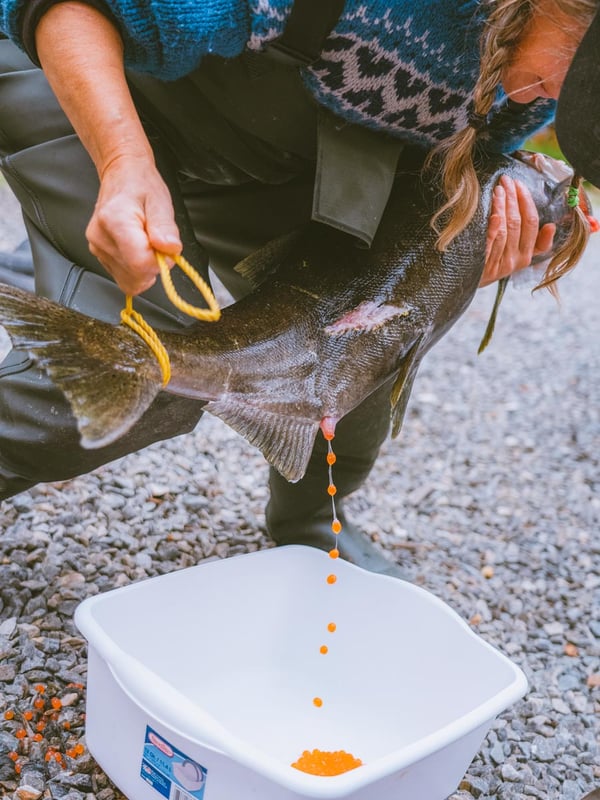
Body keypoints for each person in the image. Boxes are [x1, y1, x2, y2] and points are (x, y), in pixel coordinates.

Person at [0, 0, 596, 577]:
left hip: (267, 155)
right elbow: (66, 7)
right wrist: (123, 163)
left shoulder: (534, 79)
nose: (555, 106)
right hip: (87, 74)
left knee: (353, 354)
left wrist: (480, 246)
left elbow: (438, 179)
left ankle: (310, 520)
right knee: (127, 374)